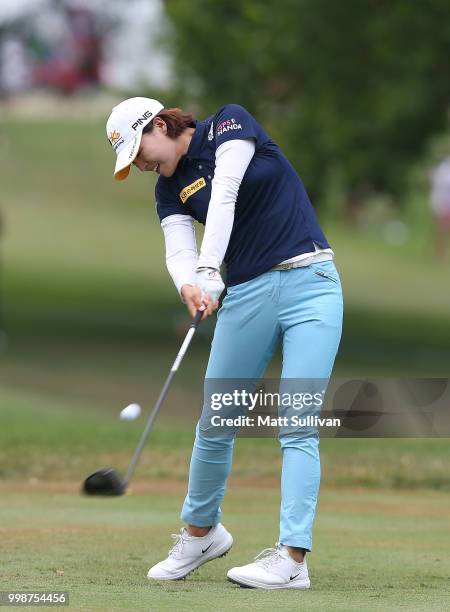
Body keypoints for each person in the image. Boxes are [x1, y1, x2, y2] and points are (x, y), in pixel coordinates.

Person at [106, 97, 343, 590]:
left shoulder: (229, 125)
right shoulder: (167, 190)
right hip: (249, 295)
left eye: (140, 149)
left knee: (297, 423)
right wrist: (190, 284)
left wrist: (211, 270)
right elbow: (178, 250)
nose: (142, 162)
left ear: (162, 124)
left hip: (312, 284)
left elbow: (226, 194)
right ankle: (201, 534)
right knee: (217, 422)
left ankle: (293, 559)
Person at [430, 156, 450, 259]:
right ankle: (439, 253)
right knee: (443, 229)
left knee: (443, 229)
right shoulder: (444, 169)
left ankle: (440, 252)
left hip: (444, 202)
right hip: (443, 202)